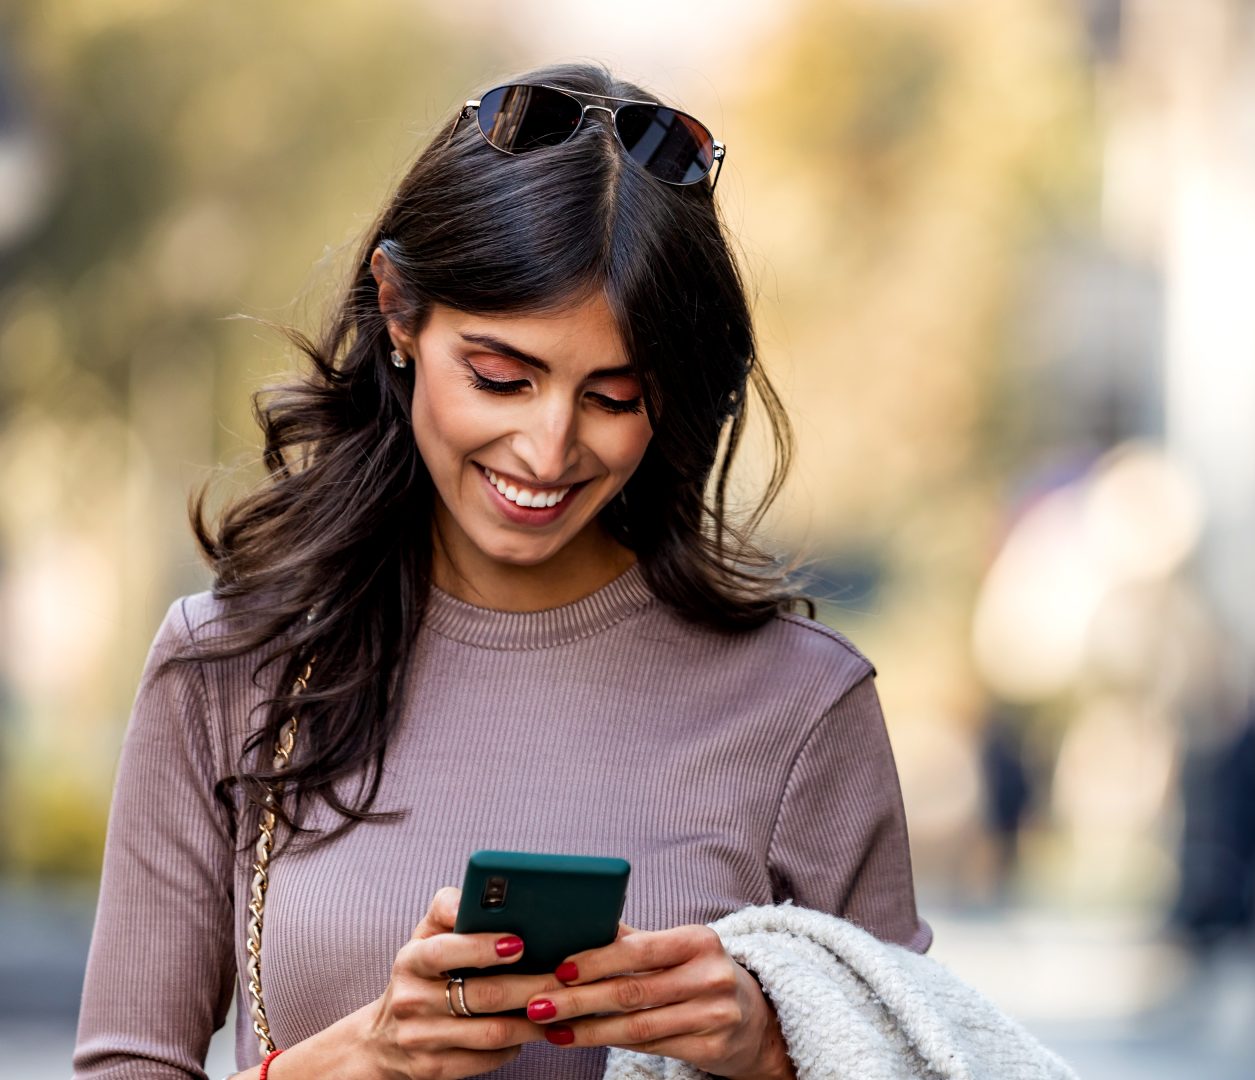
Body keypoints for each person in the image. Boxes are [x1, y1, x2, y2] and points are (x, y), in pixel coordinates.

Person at [72, 62, 931, 1080]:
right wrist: (357, 1060)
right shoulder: (230, 667)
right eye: (500, 377)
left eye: (614, 397)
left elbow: (919, 1053)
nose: (548, 446)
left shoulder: (803, 707)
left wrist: (770, 1044)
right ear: (399, 310)